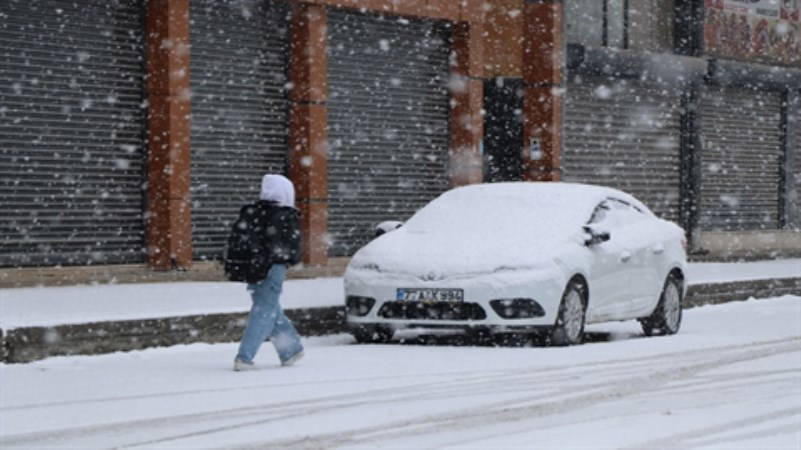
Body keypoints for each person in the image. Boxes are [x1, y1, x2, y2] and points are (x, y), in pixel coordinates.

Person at [233, 174, 304, 371]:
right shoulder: (284, 215)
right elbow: (291, 247)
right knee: (264, 311)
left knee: (269, 307)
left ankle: (290, 350)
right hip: (273, 268)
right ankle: (244, 358)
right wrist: (290, 259)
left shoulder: (251, 212)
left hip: (253, 268)